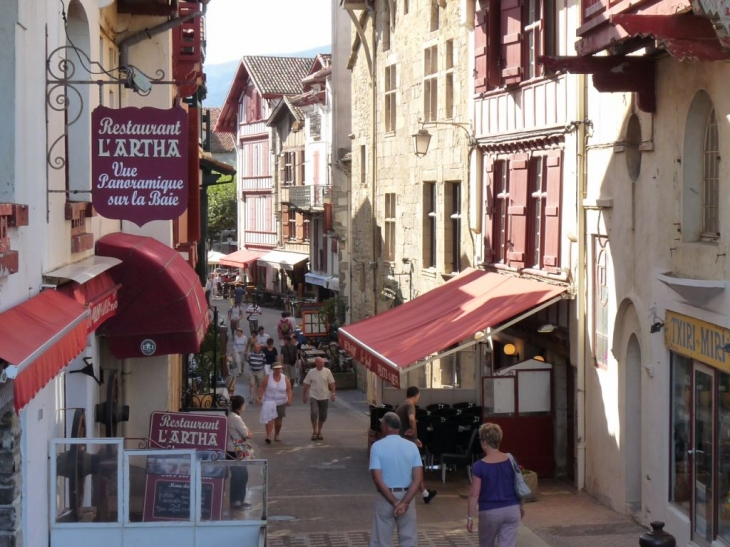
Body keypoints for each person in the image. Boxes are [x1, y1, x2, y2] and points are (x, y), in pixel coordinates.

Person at [369, 412, 423, 547]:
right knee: (408, 538)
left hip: (386, 497)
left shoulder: (377, 446)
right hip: (408, 496)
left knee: (382, 539)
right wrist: (404, 503)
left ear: (386, 426)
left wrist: (395, 502)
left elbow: (377, 478)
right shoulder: (412, 447)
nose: (381, 427)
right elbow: (418, 479)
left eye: (382, 424)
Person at [466, 423, 523, 547]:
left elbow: (474, 494)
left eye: (481, 439)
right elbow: (518, 484)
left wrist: (470, 517)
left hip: (489, 511)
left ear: (485, 441)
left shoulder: (479, 466)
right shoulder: (511, 459)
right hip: (512, 509)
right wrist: (521, 506)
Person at [395, 386, 437, 504]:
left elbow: (402, 425)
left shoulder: (400, 406)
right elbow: (412, 419)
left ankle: (425, 494)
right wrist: (413, 430)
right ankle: (416, 494)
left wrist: (415, 438)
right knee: (417, 469)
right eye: (419, 396)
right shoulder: (410, 406)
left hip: (404, 441)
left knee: (412, 469)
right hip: (408, 445)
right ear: (417, 395)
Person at [226, 395, 252, 509]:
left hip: (232, 449)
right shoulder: (236, 418)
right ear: (240, 406)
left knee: (239, 475)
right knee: (241, 475)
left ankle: (239, 500)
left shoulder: (231, 416)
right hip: (236, 450)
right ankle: (236, 501)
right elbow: (246, 434)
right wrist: (248, 433)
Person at [302, 357, 336, 441]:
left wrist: (333, 393)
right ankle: (314, 431)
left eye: (323, 363)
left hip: (324, 396)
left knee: (323, 415)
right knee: (314, 413)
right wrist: (304, 395)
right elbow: (306, 384)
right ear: (316, 363)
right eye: (320, 363)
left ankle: (319, 431)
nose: (322, 364)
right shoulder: (311, 372)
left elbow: (332, 383)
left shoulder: (327, 371)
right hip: (314, 395)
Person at [258, 364, 293, 444]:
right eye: (276, 369)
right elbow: (262, 387)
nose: (278, 371)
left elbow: (289, 390)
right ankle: (268, 436)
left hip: (281, 402)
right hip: (269, 401)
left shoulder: (285, 378)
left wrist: (289, 399)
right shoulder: (268, 377)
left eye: (279, 369)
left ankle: (277, 434)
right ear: (273, 369)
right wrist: (260, 398)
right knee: (269, 419)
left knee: (278, 421)